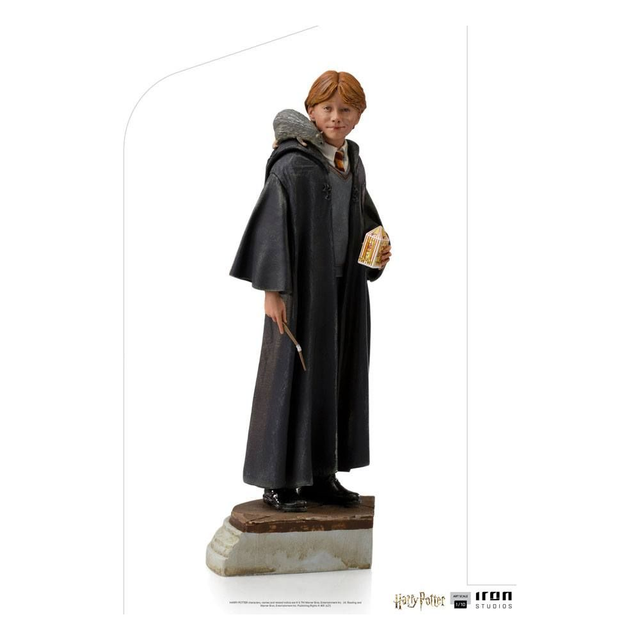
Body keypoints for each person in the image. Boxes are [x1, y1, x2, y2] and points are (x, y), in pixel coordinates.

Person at [230, 70, 391, 512]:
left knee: (332, 379)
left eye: (346, 109)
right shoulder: (293, 164)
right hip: (299, 290)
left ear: (359, 115)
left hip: (342, 290)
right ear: (311, 112)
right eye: (327, 108)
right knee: (289, 377)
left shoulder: (351, 162)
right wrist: (272, 289)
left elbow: (362, 214)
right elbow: (272, 222)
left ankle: (321, 475)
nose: (336, 117)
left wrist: (376, 244)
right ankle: (276, 481)